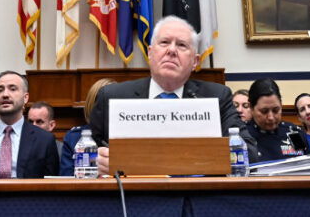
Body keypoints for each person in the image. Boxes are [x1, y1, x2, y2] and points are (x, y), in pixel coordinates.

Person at [90, 16, 255, 175]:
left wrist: (213, 156)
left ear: (195, 61)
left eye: (182, 45)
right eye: (164, 42)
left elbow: (249, 153)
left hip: (197, 197)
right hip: (131, 198)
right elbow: (85, 152)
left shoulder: (217, 97)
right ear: (150, 53)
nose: (172, 50)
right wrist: (97, 161)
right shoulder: (112, 97)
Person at [246, 78, 309, 162]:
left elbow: (306, 166)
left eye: (276, 110)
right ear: (251, 108)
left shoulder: (294, 133)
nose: (271, 117)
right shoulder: (242, 136)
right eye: (264, 111)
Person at [60, 79, 113, 177]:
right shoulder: (74, 138)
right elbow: (66, 178)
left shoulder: (129, 138)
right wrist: (90, 168)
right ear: (92, 106)